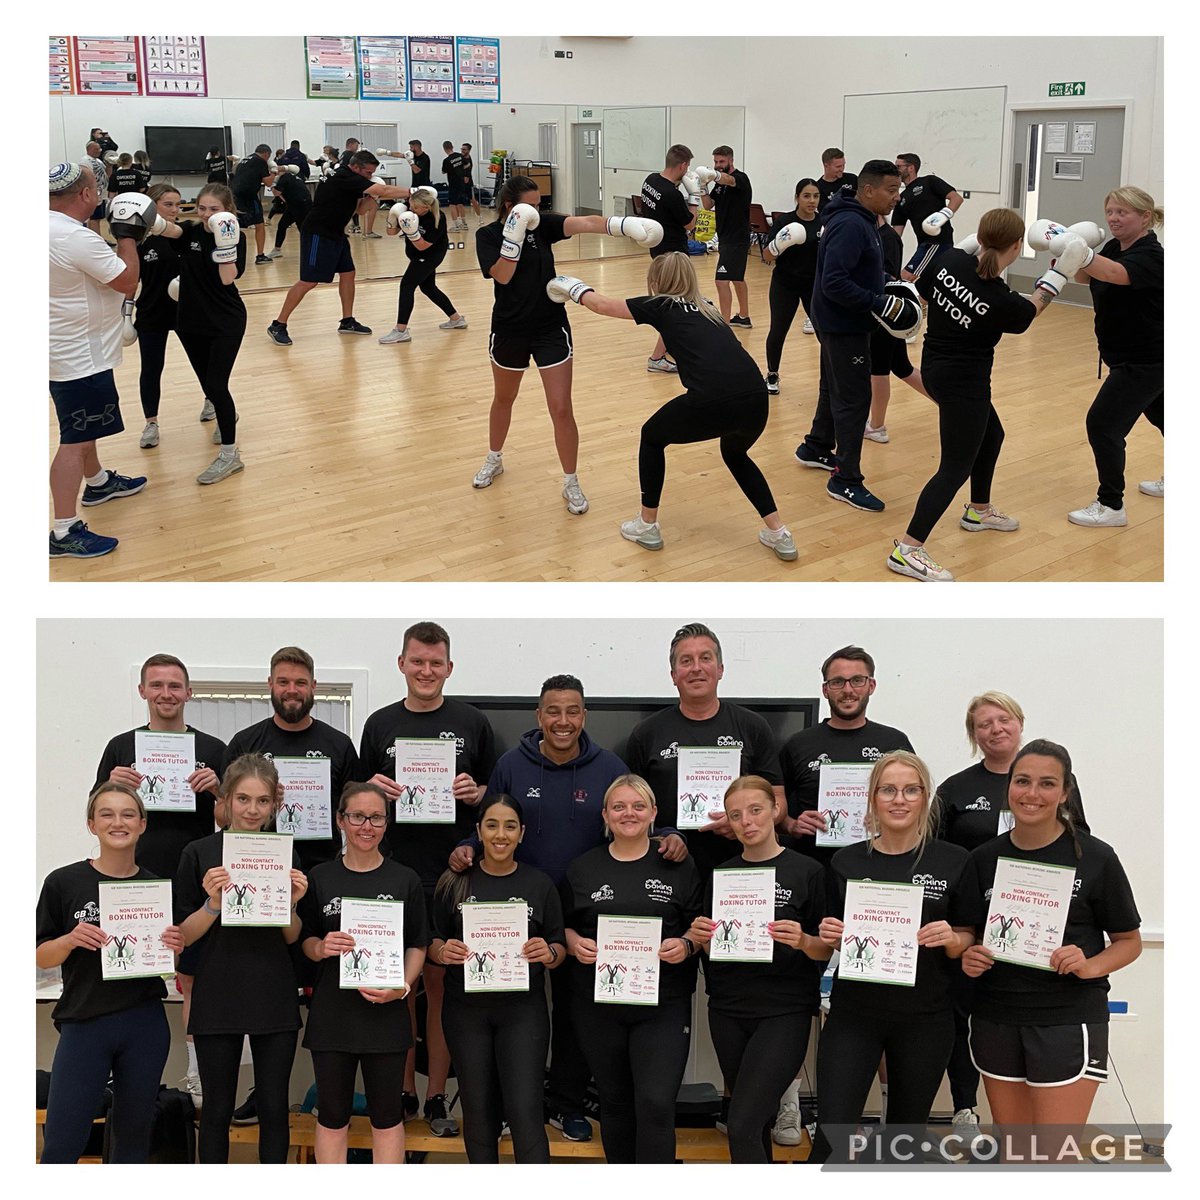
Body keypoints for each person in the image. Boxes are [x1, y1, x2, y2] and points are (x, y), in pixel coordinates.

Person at [449, 672, 640, 1143]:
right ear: (538, 716)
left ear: (584, 716)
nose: (563, 720)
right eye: (553, 711)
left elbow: (632, 817)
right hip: (515, 911)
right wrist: (467, 845)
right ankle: (505, 1108)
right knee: (509, 1011)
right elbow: (491, 819)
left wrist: (669, 834)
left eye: (572, 711)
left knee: (576, 1015)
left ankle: (567, 1104)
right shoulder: (512, 764)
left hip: (584, 912)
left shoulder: (609, 766)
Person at [550, 252, 797, 560]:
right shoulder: (708, 307)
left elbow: (601, 305)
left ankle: (647, 525)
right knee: (736, 454)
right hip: (757, 398)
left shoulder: (661, 305)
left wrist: (570, 285)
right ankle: (779, 533)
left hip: (714, 398)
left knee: (652, 437)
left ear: (656, 281)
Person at [962, 740, 1141, 1148]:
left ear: (1064, 792)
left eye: (1047, 783)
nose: (1032, 793)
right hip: (996, 1016)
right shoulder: (983, 859)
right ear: (1009, 786)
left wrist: (1091, 964)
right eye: (1022, 781)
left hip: (1067, 1018)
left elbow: (1129, 941)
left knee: (1054, 1156)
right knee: (1015, 1152)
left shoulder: (1096, 858)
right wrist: (968, 955)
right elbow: (967, 935)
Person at [358, 621, 497, 1134]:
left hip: (452, 875)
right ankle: (404, 1091)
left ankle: (437, 1094)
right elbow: (357, 798)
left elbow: (495, 795)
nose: (426, 670)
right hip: (391, 873)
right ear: (401, 664)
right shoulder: (379, 723)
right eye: (417, 661)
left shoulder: (472, 722)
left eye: (435, 663)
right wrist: (370, 787)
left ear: (449, 667)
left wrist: (478, 794)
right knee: (400, 982)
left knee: (440, 986)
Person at [935, 692, 1090, 1135]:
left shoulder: (1057, 780)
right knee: (970, 1020)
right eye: (983, 723)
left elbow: (1079, 846)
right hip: (976, 928)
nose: (995, 729)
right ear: (973, 734)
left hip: (1041, 929)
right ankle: (965, 1107)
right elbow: (939, 853)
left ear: (1020, 723)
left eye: (1003, 719)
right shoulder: (955, 789)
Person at [811, 750, 976, 1163]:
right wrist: (831, 936)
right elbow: (832, 939)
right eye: (888, 790)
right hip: (854, 1015)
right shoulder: (846, 861)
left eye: (910, 790)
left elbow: (969, 938)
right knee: (831, 1141)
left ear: (925, 797)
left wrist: (951, 938)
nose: (899, 799)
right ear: (873, 798)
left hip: (925, 1019)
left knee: (904, 1142)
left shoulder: (955, 860)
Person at [887, 208, 1062, 582]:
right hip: (963, 385)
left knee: (992, 435)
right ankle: (908, 549)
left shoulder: (949, 259)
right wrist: (1059, 272)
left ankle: (978, 510)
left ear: (980, 237)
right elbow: (1030, 311)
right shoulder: (1000, 298)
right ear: (1017, 246)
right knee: (954, 468)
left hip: (936, 369)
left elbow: (926, 288)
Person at [470, 175, 661, 514]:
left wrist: (626, 225)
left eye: (538, 204)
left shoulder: (542, 226)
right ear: (509, 206)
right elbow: (502, 275)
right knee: (504, 398)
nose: (536, 211)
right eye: (529, 206)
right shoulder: (487, 236)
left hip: (550, 328)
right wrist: (513, 235)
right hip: (510, 329)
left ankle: (570, 480)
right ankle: (494, 457)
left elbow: (586, 222)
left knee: (561, 408)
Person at [93, 651, 226, 1102]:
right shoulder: (121, 747)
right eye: (157, 685)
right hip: (134, 878)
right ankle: (119, 1075)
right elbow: (98, 811)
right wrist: (111, 784)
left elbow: (234, 819)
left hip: (193, 876)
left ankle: (198, 1074)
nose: (166, 693)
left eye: (174, 686)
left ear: (188, 693)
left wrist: (217, 790)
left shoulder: (213, 749)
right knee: (130, 973)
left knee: (193, 980)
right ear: (142, 691)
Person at [36, 782, 186, 1162]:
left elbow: (169, 965)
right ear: (92, 824)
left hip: (144, 1024)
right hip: (85, 1023)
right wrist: (69, 940)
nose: (118, 822)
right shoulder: (63, 882)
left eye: (128, 814)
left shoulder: (156, 888)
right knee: (62, 1142)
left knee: (132, 1143)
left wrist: (175, 949)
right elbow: (41, 956)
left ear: (142, 824)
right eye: (107, 814)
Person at [685, 776, 829, 1162]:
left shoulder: (808, 871)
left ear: (775, 810)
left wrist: (803, 940)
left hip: (784, 1009)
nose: (746, 821)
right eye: (736, 815)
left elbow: (826, 948)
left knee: (742, 1123)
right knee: (756, 1122)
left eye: (755, 810)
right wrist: (701, 938)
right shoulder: (721, 875)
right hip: (728, 1009)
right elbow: (713, 949)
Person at [561, 775, 704, 1162]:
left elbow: (700, 924)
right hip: (598, 1006)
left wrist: (686, 944)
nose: (629, 814)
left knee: (656, 1103)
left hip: (664, 1004)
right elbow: (560, 925)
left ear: (654, 813)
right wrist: (573, 943)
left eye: (639, 806)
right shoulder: (582, 868)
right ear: (605, 814)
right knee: (615, 1102)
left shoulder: (678, 865)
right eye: (619, 807)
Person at [175, 754, 307, 1163]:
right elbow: (181, 937)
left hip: (272, 988)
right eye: (244, 799)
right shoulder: (198, 853)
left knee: (273, 1107)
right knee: (216, 1108)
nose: (253, 810)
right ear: (227, 799)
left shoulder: (286, 854)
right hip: (217, 990)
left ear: (274, 805)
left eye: (263, 801)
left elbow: (292, 935)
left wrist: (292, 904)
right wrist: (212, 905)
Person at [431, 794, 566, 1162]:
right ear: (479, 831)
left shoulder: (539, 884)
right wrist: (442, 952)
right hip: (465, 1012)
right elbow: (432, 940)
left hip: (523, 1013)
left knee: (525, 1111)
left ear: (521, 833)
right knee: (477, 1112)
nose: (500, 835)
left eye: (509, 826)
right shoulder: (454, 882)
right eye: (492, 825)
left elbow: (558, 944)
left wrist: (549, 953)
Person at [299, 781, 428, 1163]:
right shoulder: (320, 877)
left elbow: (418, 944)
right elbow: (304, 939)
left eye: (376, 818)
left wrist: (402, 987)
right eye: (357, 816)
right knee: (332, 1116)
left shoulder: (405, 879)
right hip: (332, 1015)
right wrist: (320, 947)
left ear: (387, 823)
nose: (366, 826)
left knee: (387, 1117)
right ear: (341, 820)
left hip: (386, 1015)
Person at [794, 159, 921, 514]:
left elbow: (856, 270)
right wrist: (879, 303)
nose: (897, 197)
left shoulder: (862, 219)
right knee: (854, 398)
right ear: (868, 190)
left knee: (832, 386)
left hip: (839, 319)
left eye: (899, 190)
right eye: (891, 190)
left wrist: (886, 284)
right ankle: (845, 479)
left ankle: (816, 446)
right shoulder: (852, 224)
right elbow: (835, 281)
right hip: (842, 323)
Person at [624, 623, 784, 878]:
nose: (696, 668)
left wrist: (743, 823)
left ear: (720, 669)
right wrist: (664, 836)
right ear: (673, 674)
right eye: (686, 661)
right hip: (665, 868)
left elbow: (779, 802)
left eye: (705, 658)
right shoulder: (646, 733)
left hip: (742, 867)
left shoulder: (753, 726)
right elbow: (631, 807)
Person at [49, 161, 149, 559]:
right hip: (78, 356)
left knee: (84, 429)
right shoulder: (74, 237)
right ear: (86, 194)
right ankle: (63, 530)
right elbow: (127, 282)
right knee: (75, 439)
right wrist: (127, 235)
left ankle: (98, 482)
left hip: (61, 346)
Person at [1066, 187, 1164, 527]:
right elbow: (1084, 276)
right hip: (1127, 355)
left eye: (1122, 212)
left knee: (1103, 425)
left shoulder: (1151, 256)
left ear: (1145, 217)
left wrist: (1080, 251)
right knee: (1164, 417)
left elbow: (1113, 274)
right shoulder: (1112, 247)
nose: (1113, 218)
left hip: (1145, 360)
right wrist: (1071, 251)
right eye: (1110, 211)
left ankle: (1111, 506)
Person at [222, 646, 360, 872]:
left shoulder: (339, 745)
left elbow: (355, 812)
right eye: (283, 682)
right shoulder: (244, 743)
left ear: (313, 686)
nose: (292, 690)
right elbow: (221, 816)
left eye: (301, 683)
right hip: (257, 867)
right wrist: (262, 798)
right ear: (270, 684)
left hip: (323, 870)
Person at [779, 644, 914, 865]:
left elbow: (917, 805)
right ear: (825, 690)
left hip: (882, 865)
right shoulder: (798, 744)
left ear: (871, 685)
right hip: (816, 867)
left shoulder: (894, 743)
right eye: (838, 682)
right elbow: (771, 805)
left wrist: (892, 818)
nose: (848, 690)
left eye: (857, 680)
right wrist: (791, 825)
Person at [267, 151, 410, 346]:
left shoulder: (351, 179)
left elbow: (360, 210)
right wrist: (414, 191)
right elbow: (385, 190)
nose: (370, 176)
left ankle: (347, 321)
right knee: (308, 281)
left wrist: (372, 197)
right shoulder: (344, 176)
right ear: (356, 167)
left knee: (348, 273)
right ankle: (278, 324)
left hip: (336, 233)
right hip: (318, 232)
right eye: (368, 172)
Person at [175, 183, 248, 485]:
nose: (206, 214)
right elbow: (165, 230)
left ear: (227, 210)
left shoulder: (237, 236)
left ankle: (230, 455)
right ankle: (224, 414)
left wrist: (225, 243)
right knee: (209, 385)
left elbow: (228, 278)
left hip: (225, 319)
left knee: (217, 385)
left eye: (214, 209)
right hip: (189, 320)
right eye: (202, 208)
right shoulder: (189, 231)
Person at [132, 183, 197, 449]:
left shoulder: (186, 234)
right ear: (153, 206)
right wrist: (125, 312)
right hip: (152, 311)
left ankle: (214, 403)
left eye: (178, 205)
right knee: (151, 368)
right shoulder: (140, 240)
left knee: (203, 362)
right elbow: (130, 279)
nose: (174, 210)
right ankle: (151, 423)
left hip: (186, 311)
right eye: (168, 204)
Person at [865, 213, 933, 443]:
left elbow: (888, 279)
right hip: (885, 311)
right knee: (902, 367)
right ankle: (949, 404)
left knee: (879, 369)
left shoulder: (887, 238)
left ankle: (877, 427)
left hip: (885, 313)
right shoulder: (874, 234)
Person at [379, 185, 466, 343]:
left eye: (415, 208)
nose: (412, 209)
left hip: (430, 255)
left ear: (426, 207)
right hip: (417, 256)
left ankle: (401, 331)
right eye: (410, 205)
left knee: (407, 285)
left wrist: (411, 232)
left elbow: (422, 246)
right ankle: (456, 319)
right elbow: (391, 233)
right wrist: (392, 218)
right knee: (428, 288)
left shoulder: (436, 219)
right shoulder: (409, 210)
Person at [638, 144, 696, 372]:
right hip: (674, 254)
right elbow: (690, 223)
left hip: (657, 249)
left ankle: (671, 345)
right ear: (682, 166)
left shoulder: (650, 181)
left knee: (673, 299)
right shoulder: (673, 195)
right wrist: (695, 196)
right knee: (676, 302)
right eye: (687, 167)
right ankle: (657, 357)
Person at [763, 178, 822, 394]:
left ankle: (830, 378)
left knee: (824, 333)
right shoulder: (785, 221)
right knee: (778, 330)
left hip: (813, 286)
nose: (812, 200)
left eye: (816, 196)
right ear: (797, 198)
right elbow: (766, 256)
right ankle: (772, 374)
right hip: (784, 284)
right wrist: (780, 243)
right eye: (806, 196)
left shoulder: (823, 223)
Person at [698, 146, 752, 325]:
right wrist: (703, 186)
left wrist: (713, 175)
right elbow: (708, 205)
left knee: (721, 281)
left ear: (731, 160)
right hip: (725, 237)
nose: (718, 165)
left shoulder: (741, 179)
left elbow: (729, 179)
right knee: (737, 278)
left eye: (721, 161)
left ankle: (724, 325)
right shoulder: (719, 186)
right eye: (715, 162)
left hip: (737, 238)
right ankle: (743, 317)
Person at [891, 153, 964, 281]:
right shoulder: (901, 198)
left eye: (898, 166)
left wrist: (943, 215)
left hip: (937, 242)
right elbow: (896, 234)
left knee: (905, 277)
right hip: (924, 245)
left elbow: (956, 198)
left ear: (911, 168)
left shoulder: (929, 181)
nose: (895, 170)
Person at [230, 144, 278, 265]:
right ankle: (260, 256)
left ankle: (231, 254)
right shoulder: (260, 161)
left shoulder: (244, 160)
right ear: (266, 154)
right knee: (259, 224)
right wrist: (274, 172)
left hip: (234, 196)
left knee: (235, 225)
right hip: (249, 197)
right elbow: (268, 182)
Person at [266, 162, 313, 259]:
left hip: (300, 205)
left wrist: (272, 184)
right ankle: (277, 250)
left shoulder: (284, 178)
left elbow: (276, 193)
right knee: (282, 225)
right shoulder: (294, 177)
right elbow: (282, 196)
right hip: (295, 204)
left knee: (303, 228)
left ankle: (311, 250)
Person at [82, 141, 112, 236]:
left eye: (99, 149)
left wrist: (109, 165)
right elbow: (87, 178)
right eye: (96, 149)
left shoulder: (99, 161)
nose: (99, 151)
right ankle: (97, 238)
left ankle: (98, 237)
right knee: (94, 218)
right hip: (93, 194)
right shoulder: (85, 161)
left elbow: (107, 175)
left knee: (98, 218)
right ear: (89, 149)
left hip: (101, 194)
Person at [815, 148, 858, 212]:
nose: (842, 169)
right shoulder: (818, 188)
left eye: (843, 165)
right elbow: (825, 212)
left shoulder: (852, 179)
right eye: (838, 166)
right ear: (826, 166)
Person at [442, 140, 469, 231]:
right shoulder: (460, 156)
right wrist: (461, 170)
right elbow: (467, 164)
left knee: (452, 204)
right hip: (461, 183)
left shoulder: (446, 160)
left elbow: (443, 171)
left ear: (444, 149)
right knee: (460, 203)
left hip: (453, 184)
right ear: (452, 147)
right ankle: (464, 224)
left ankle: (456, 226)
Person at [461, 142, 482, 220]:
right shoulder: (461, 158)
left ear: (469, 150)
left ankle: (479, 217)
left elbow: (466, 176)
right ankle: (461, 219)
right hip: (460, 182)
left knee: (472, 200)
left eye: (464, 149)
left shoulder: (467, 160)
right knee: (459, 202)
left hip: (467, 183)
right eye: (462, 149)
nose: (462, 151)